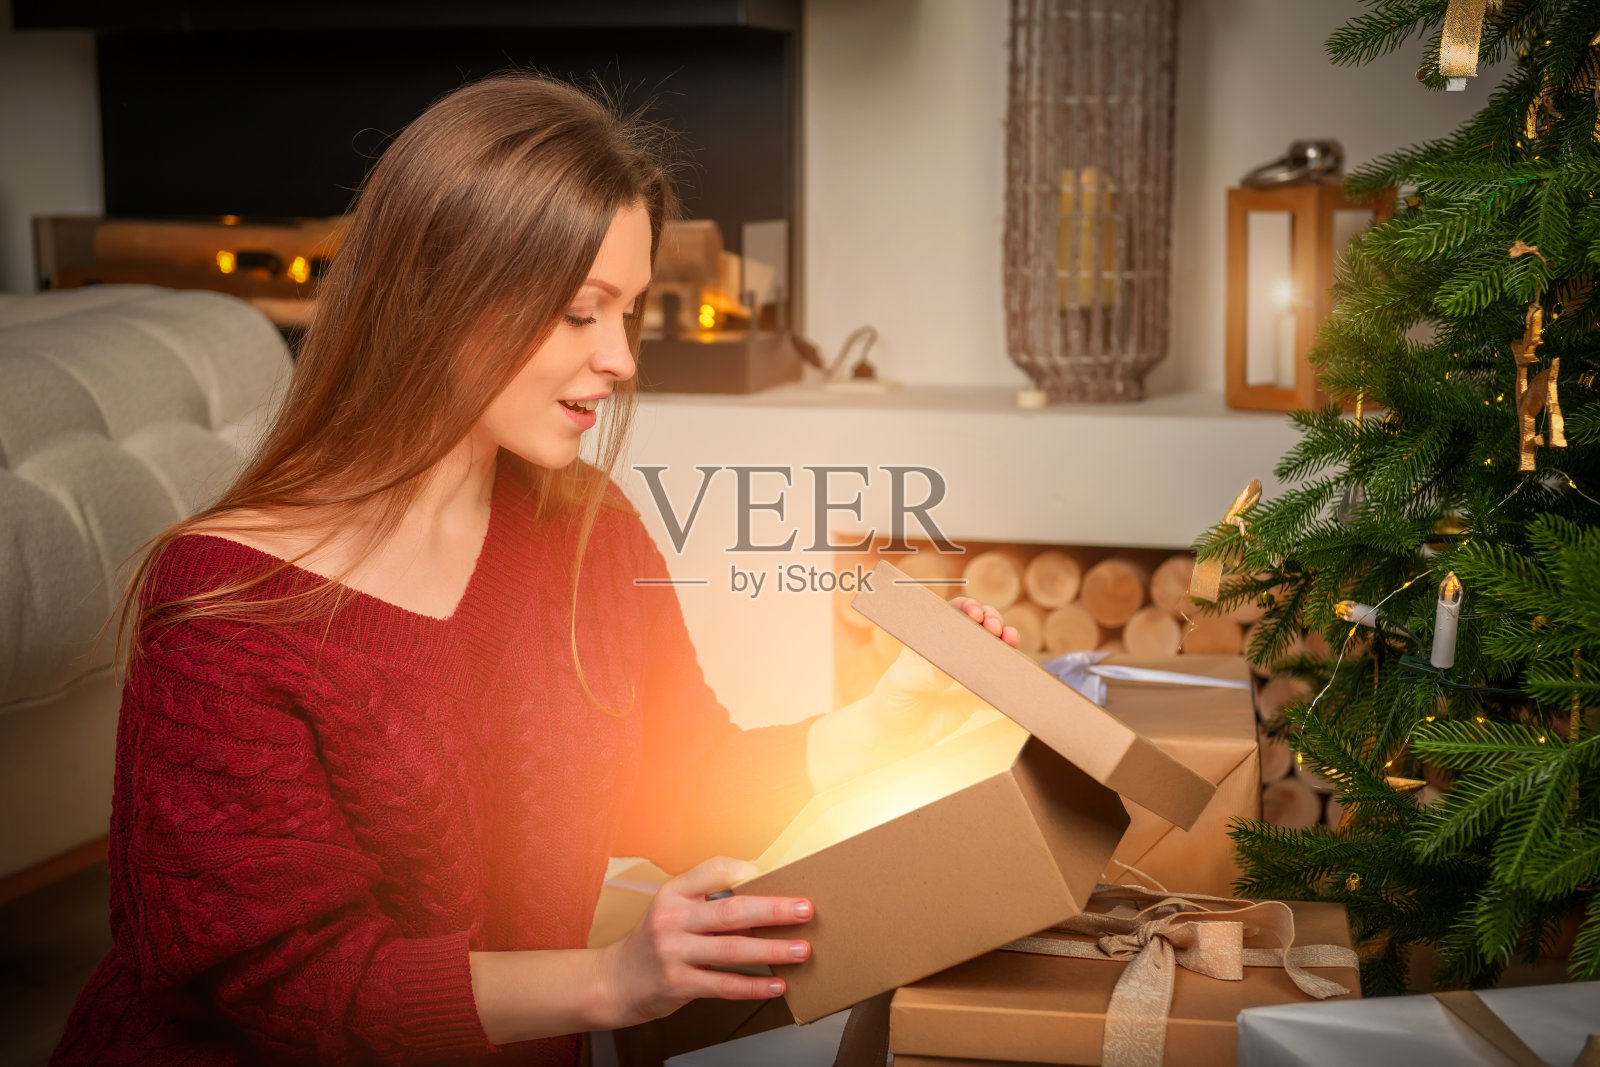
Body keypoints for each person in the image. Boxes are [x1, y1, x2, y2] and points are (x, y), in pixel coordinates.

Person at [49, 73, 1018, 1066]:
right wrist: (612, 980)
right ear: (438, 297)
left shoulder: (587, 529)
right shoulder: (229, 605)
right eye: (580, 312)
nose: (622, 359)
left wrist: (876, 727)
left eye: (629, 312)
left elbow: (678, 779)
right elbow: (292, 988)